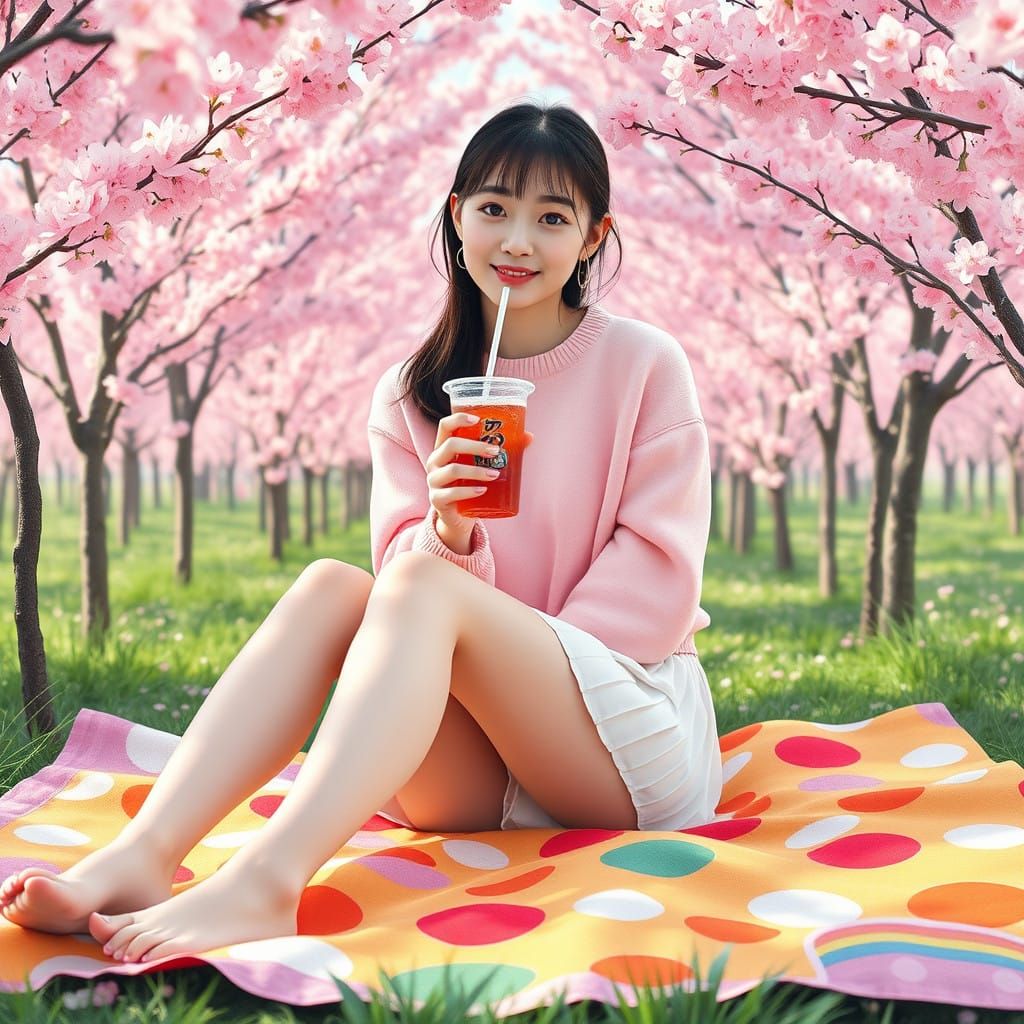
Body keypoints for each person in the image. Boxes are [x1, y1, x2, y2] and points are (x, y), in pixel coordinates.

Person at [0, 101, 722, 965]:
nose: (518, 241)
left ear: (594, 237)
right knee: (336, 586)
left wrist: (509, 651)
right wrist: (451, 529)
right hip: (478, 770)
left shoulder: (643, 364)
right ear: (457, 217)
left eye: (552, 218)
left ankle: (269, 882)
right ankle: (146, 854)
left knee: (418, 587)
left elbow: (658, 577)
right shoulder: (411, 393)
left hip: (623, 743)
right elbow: (402, 605)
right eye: (494, 209)